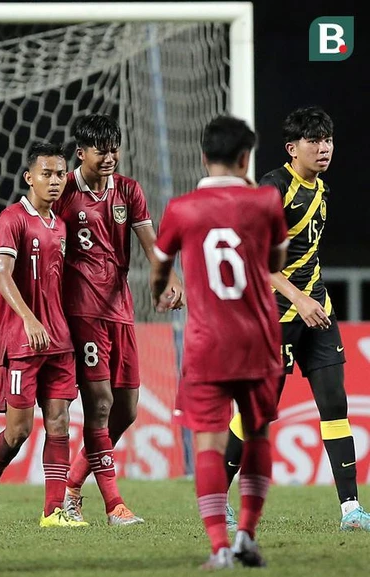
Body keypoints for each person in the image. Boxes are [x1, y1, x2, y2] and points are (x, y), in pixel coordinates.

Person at [223, 106, 370, 531]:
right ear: (292, 148)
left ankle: (350, 510)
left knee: (335, 404)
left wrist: (313, 299)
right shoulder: (273, 188)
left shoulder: (321, 190)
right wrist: (297, 298)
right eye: (314, 141)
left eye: (328, 141)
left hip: (317, 311)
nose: (324, 148)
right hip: (277, 313)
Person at [152, 115, 286, 568]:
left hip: (207, 343)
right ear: (246, 157)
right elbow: (274, 260)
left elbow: (159, 268)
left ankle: (219, 547)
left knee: (208, 445)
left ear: (204, 157)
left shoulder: (182, 209)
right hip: (258, 339)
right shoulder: (267, 200)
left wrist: (160, 291)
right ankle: (247, 534)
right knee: (257, 434)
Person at [54, 114, 184, 525]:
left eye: (114, 149)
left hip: (120, 309)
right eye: (101, 150)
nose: (110, 157)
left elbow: (151, 244)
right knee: (101, 404)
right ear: (81, 152)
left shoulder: (128, 191)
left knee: (125, 409)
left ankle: (72, 486)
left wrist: (169, 279)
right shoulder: (64, 191)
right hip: (81, 312)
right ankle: (115, 505)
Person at [0, 141, 88, 529]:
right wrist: (28, 319)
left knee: (59, 421)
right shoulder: (11, 219)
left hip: (60, 341)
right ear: (29, 177)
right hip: (22, 340)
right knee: (19, 430)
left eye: (60, 174)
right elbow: (3, 275)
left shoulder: (62, 225)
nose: (55, 181)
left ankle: (53, 512)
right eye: (47, 174)